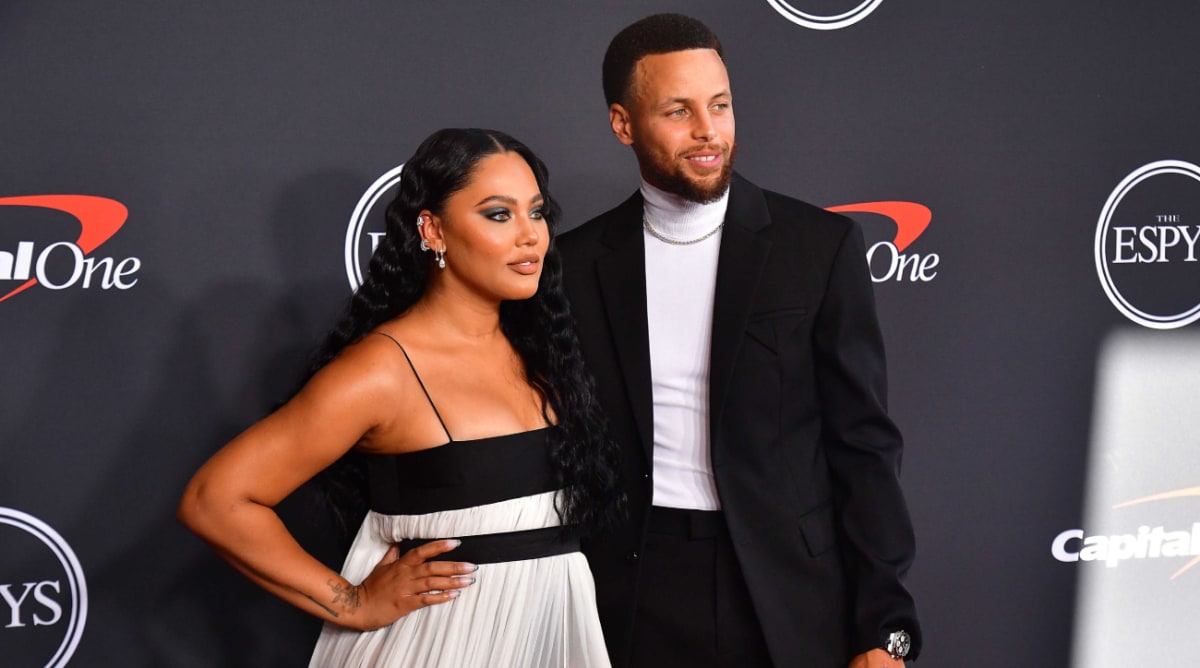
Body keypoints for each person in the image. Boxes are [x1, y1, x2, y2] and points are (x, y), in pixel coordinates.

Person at [178, 128, 621, 667]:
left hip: (550, 633)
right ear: (432, 230)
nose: (531, 235)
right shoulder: (382, 370)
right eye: (499, 215)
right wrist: (353, 602)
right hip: (436, 645)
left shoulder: (543, 350)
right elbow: (215, 500)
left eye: (537, 212)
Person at [558, 14, 921, 668]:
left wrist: (884, 624)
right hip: (633, 590)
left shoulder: (818, 247)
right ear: (623, 124)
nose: (708, 130)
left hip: (787, 589)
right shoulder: (574, 265)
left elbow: (864, 447)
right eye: (679, 110)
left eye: (720, 105)